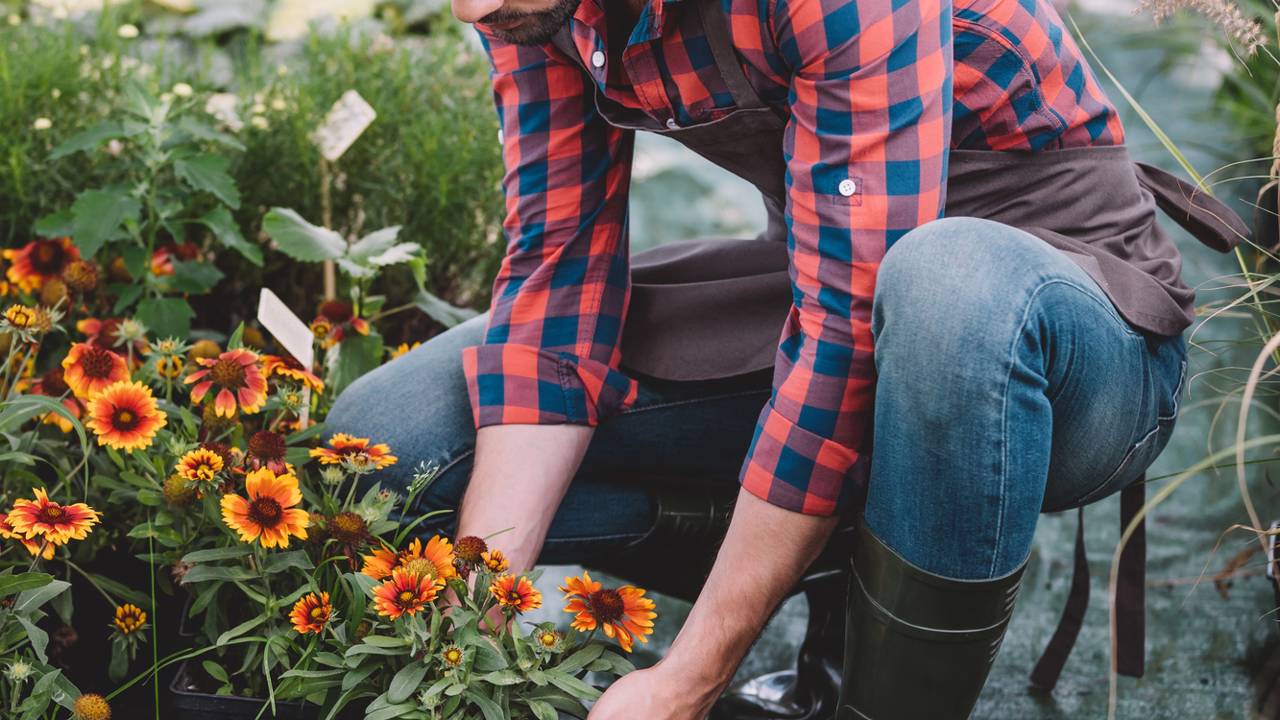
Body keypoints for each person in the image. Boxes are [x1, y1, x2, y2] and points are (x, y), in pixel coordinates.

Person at [325, 0, 1246, 714]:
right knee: (389, 441)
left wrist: (686, 678)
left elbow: (849, 337)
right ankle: (822, 560)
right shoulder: (534, 8)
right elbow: (555, 287)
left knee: (946, 284)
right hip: (829, 280)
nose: (465, 12)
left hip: (1071, 336)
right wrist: (475, 615)